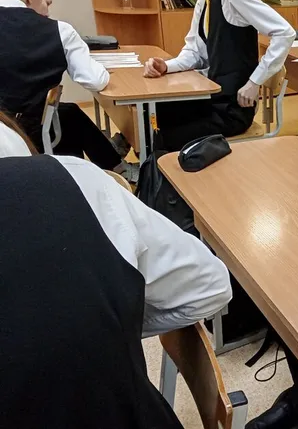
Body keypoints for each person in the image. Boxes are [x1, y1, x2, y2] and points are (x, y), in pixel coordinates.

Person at [0, 111, 232, 428]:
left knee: (77, 115)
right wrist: (106, 326)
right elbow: (210, 285)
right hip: (132, 414)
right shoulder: (75, 178)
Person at [143, 0, 295, 151]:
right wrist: (166, 66)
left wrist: (254, 82)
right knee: (153, 111)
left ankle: (159, 169)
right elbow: (195, 52)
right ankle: (149, 167)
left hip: (232, 109)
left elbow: (285, 32)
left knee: (165, 136)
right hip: (213, 99)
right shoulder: (205, 0)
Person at [0, 0, 138, 182]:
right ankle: (87, 178)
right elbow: (95, 80)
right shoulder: (59, 31)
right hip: (30, 133)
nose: (47, 10)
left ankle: (108, 164)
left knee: (68, 113)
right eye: (45, 1)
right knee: (65, 121)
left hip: (7, 133)